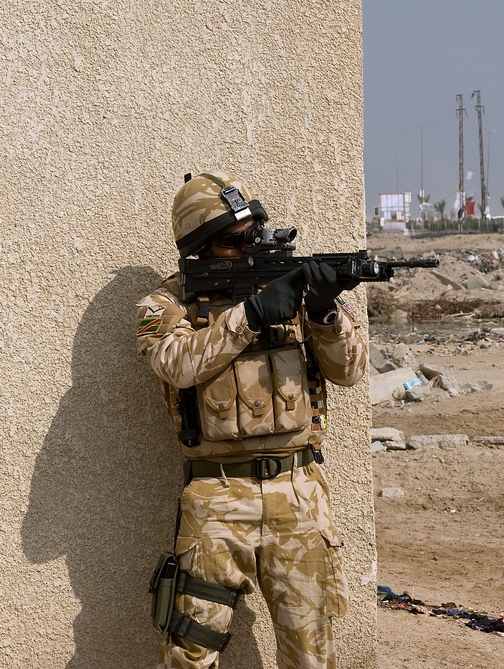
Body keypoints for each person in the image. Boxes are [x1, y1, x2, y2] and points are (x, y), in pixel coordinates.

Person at [135, 171, 368, 669]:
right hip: (215, 501)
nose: (249, 248)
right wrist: (253, 315)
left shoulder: (295, 288)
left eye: (254, 233)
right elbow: (176, 365)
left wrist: (324, 311)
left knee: (312, 653)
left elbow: (350, 370)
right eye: (232, 242)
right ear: (200, 248)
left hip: (299, 492)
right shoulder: (168, 302)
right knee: (190, 650)